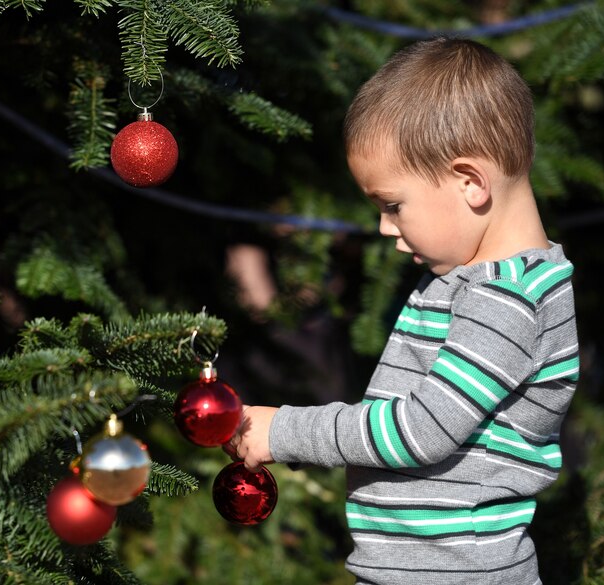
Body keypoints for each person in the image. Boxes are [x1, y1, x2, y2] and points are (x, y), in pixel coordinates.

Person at [225, 37, 579, 585]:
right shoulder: (464, 281)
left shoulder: (508, 301)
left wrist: (286, 431)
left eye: (393, 205)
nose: (386, 227)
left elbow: (420, 430)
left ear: (470, 183)